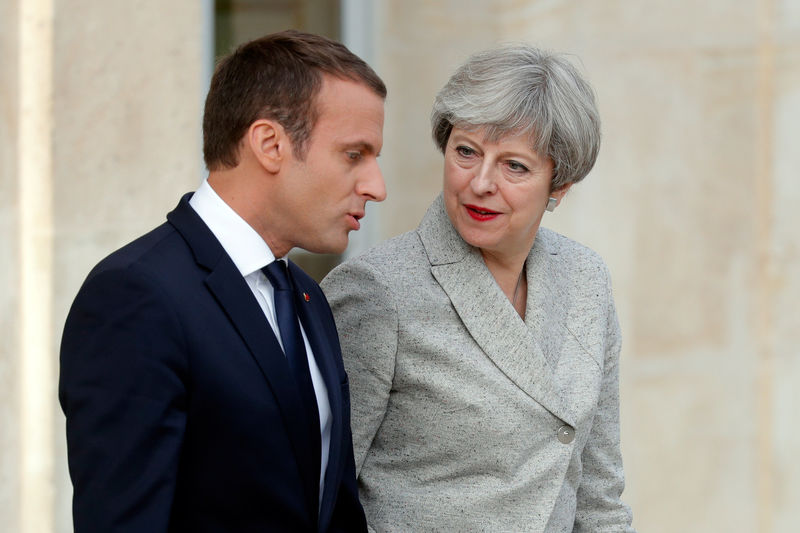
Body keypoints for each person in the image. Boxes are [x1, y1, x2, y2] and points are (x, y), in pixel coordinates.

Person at [59, 30, 386, 532]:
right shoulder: (136, 295)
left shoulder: (307, 297)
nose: (376, 186)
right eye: (353, 155)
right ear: (270, 144)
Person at [321, 44, 635, 532]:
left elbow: (599, 496)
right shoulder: (378, 291)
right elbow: (323, 496)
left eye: (515, 166)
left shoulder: (586, 279)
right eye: (466, 151)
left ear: (560, 185)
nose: (480, 183)